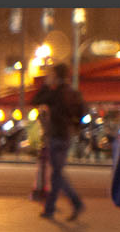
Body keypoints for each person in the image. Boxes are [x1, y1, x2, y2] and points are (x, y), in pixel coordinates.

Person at [30, 63, 87, 220]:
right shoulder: (73, 93)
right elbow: (82, 111)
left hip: (56, 137)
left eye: (52, 74)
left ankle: (75, 202)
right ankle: (50, 209)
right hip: (67, 136)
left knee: (57, 175)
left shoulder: (55, 94)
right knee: (57, 174)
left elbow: (35, 100)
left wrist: (46, 85)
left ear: (56, 75)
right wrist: (75, 126)